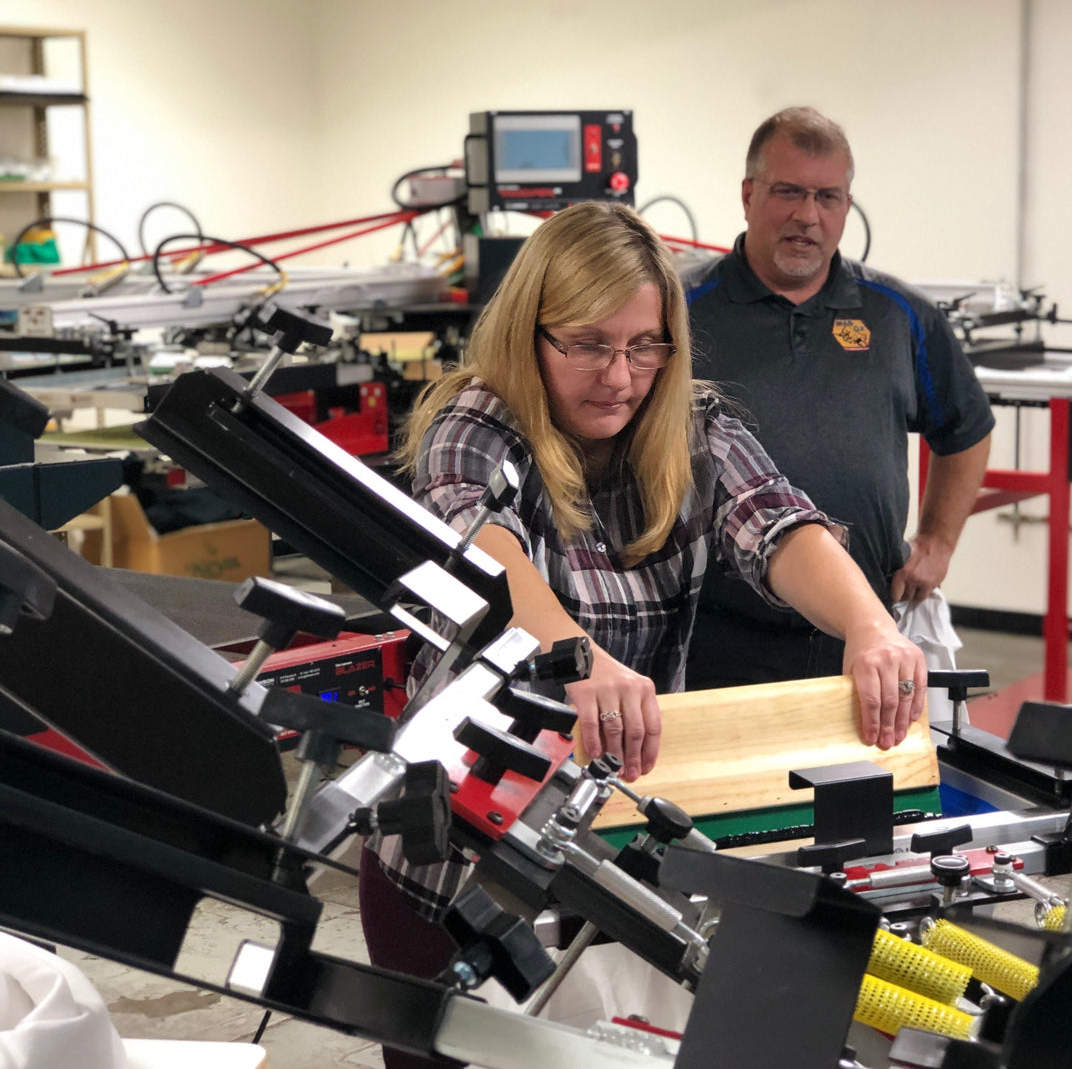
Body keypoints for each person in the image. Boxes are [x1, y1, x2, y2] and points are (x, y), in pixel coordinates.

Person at [358, 200, 929, 1068]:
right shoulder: (472, 427)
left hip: (605, 854)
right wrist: (575, 657)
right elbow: (488, 555)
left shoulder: (688, 423)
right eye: (587, 343)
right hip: (449, 867)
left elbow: (777, 523)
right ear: (528, 332)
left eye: (643, 345)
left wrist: (869, 626)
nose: (620, 375)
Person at [682, 107, 994, 690]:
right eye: (787, 192)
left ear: (847, 206)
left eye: (827, 197)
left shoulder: (899, 315)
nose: (807, 215)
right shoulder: (680, 308)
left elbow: (966, 429)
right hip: (713, 637)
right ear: (748, 195)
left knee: (860, 782)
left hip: (860, 635)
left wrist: (937, 542)